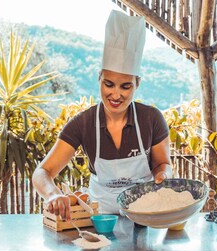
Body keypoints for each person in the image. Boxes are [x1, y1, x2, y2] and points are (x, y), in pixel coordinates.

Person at [32, 10, 172, 221]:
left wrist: (164, 176)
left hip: (145, 215)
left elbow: (163, 164)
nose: (116, 94)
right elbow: (42, 172)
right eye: (109, 84)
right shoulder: (82, 124)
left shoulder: (151, 119)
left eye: (125, 86)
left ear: (137, 84)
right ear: (99, 79)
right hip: (100, 218)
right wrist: (52, 194)